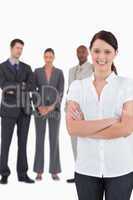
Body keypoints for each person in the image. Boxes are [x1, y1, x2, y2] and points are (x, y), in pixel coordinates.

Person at [66, 30, 133, 200]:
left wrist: (86, 127)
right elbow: (72, 128)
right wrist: (112, 121)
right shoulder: (77, 86)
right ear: (90, 52)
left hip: (120, 170)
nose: (101, 56)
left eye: (107, 51)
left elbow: (126, 128)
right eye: (96, 51)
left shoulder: (127, 85)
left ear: (116, 54)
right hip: (86, 170)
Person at [0, 39, 35, 184]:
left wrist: (14, 88)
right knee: (5, 143)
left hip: (24, 110)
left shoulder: (27, 67)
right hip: (8, 111)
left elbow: (31, 85)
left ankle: (22, 174)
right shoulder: (1, 67)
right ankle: (4, 173)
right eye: (17, 48)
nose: (19, 51)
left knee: (23, 143)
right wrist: (21, 85)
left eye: (21, 48)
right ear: (11, 48)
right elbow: (3, 85)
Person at [33, 48, 64, 181]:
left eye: (50, 57)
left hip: (54, 111)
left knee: (54, 139)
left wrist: (51, 107)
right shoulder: (37, 72)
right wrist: (39, 106)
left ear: (54, 57)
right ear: (43, 57)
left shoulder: (59, 72)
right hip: (39, 110)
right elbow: (33, 90)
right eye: (46, 57)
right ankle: (39, 171)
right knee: (39, 139)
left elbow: (61, 91)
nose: (48, 59)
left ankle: (54, 171)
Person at [66, 45, 93, 183]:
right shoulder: (71, 70)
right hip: (72, 112)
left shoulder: (93, 68)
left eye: (83, 51)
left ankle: (90, 174)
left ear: (87, 53)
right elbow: (69, 90)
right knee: (75, 143)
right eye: (78, 51)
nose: (80, 53)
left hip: (88, 111)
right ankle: (79, 174)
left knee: (88, 143)